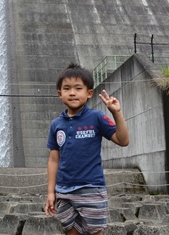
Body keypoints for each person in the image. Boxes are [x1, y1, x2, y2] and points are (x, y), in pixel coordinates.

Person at [45, 62, 130, 235]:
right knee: (71, 231)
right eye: (67, 88)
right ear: (60, 94)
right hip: (64, 191)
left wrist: (116, 113)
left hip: (92, 188)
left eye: (78, 88)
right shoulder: (56, 125)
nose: (72, 92)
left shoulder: (97, 118)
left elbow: (123, 140)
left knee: (95, 232)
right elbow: (54, 160)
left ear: (89, 93)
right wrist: (50, 192)